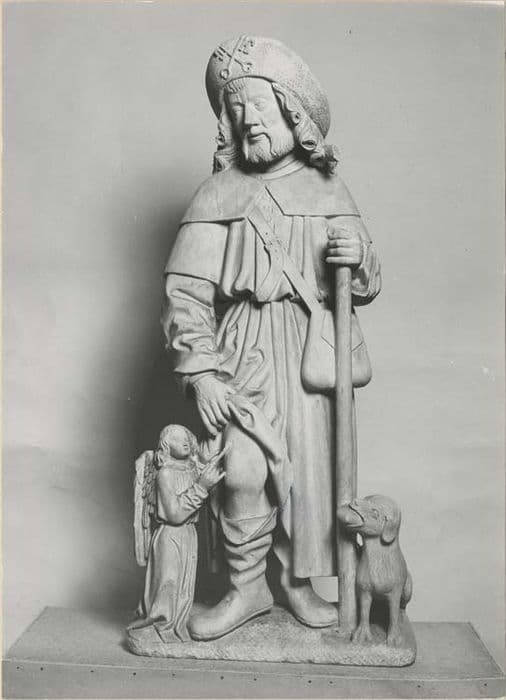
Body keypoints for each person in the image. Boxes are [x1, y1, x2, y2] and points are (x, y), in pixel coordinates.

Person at [162, 36, 381, 641]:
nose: (247, 119)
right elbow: (186, 292)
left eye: (258, 104)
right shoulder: (217, 194)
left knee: (307, 476)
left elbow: (365, 281)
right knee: (240, 467)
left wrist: (357, 256)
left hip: (308, 350)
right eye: (235, 109)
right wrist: (202, 372)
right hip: (241, 349)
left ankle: (296, 583)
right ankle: (246, 587)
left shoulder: (328, 189)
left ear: (292, 111)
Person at [129, 425, 225, 643]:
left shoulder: (192, 468)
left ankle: (176, 625)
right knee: (168, 585)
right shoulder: (165, 473)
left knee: (183, 588)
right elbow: (174, 514)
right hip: (170, 536)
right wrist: (201, 487)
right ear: (165, 445)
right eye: (176, 438)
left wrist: (210, 474)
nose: (184, 442)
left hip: (189, 534)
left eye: (186, 438)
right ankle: (161, 625)